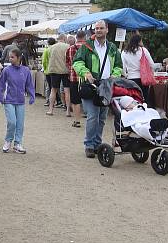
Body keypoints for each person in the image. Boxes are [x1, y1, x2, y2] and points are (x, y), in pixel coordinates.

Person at [72, 20, 124, 158]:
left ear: (107, 30)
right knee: (93, 116)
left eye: (101, 28)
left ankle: (97, 144)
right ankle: (89, 145)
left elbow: (119, 65)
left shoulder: (112, 48)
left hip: (107, 86)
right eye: (96, 28)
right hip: (92, 86)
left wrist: (115, 75)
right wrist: (86, 73)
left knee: (102, 118)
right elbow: (76, 62)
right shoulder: (86, 46)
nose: (98, 30)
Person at [0, 49, 35, 154]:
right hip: (8, 100)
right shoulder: (6, 70)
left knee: (20, 124)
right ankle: (8, 140)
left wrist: (32, 95)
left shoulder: (26, 70)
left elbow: (29, 84)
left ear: (19, 58)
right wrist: (0, 95)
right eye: (9, 57)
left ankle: (18, 143)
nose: (10, 59)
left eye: (12, 57)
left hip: (20, 101)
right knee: (12, 122)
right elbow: (1, 83)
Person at [121, 33, 154, 100]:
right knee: (145, 98)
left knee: (134, 100)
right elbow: (152, 64)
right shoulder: (143, 50)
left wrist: (126, 75)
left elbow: (122, 68)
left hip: (131, 79)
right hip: (143, 79)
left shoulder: (124, 52)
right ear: (138, 41)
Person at [65, 31, 86, 128]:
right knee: (88, 98)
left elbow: (67, 63)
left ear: (76, 37)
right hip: (87, 77)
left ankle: (77, 120)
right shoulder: (89, 48)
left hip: (74, 78)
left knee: (75, 100)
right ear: (85, 37)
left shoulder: (70, 49)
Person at [45, 34, 69, 115]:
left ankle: (51, 109)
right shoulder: (68, 46)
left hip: (54, 70)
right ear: (64, 38)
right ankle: (68, 111)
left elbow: (48, 59)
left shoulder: (51, 48)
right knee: (67, 90)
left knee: (53, 90)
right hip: (65, 70)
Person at [41, 37, 55, 106]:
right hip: (55, 70)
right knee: (54, 87)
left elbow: (43, 61)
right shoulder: (55, 49)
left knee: (48, 87)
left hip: (47, 70)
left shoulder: (46, 50)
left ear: (48, 43)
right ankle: (56, 101)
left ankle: (48, 100)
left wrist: (45, 68)